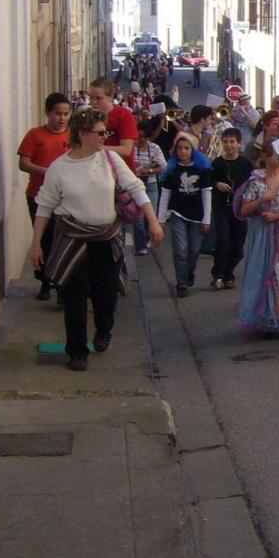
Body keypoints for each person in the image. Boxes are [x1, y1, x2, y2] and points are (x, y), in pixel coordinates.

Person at [28, 107, 163, 371]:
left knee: (105, 295)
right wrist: (36, 244)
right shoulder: (60, 168)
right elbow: (44, 207)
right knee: (74, 298)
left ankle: (103, 331)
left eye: (106, 132)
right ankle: (77, 352)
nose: (105, 137)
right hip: (72, 239)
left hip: (106, 237)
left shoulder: (110, 160)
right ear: (82, 133)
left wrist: (153, 221)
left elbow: (136, 187)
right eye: (100, 133)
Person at [235, 144, 279, 336]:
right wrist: (263, 199)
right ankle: (261, 319)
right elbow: (244, 210)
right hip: (262, 234)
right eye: (274, 155)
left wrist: (278, 216)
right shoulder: (256, 181)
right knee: (261, 273)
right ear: (264, 156)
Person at [18, 93, 73, 299]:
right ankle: (45, 281)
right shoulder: (35, 135)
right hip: (38, 196)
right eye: (58, 114)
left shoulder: (73, 136)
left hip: (65, 198)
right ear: (47, 113)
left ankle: (61, 284)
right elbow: (24, 163)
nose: (62, 118)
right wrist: (47, 172)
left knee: (63, 241)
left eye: (66, 114)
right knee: (45, 240)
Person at [158, 132, 213, 298]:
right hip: (177, 213)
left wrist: (207, 219)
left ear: (192, 150)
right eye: (180, 149)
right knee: (180, 249)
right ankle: (181, 283)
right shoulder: (172, 169)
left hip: (197, 215)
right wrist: (160, 219)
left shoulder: (201, 170)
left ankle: (188, 274)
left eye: (187, 148)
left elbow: (206, 194)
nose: (183, 152)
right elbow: (165, 195)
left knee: (194, 250)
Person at [209, 127, 251, 290]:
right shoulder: (217, 163)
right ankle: (218, 274)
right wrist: (216, 184)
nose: (229, 145)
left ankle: (229, 272)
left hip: (240, 210)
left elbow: (253, 183)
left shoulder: (246, 164)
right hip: (221, 209)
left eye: (232, 142)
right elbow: (208, 182)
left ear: (239, 144)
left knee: (238, 247)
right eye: (225, 142)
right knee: (223, 239)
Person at [132, 119, 167, 256]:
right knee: (137, 217)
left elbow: (164, 166)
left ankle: (146, 237)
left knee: (150, 214)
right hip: (135, 185)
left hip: (151, 184)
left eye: (143, 137)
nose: (140, 139)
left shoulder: (155, 148)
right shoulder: (131, 147)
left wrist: (148, 171)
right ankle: (140, 245)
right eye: (138, 135)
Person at [88, 76, 138, 168]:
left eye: (99, 98)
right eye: (91, 98)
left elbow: (126, 150)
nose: (93, 102)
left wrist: (96, 149)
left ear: (110, 96)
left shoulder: (123, 115)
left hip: (120, 172)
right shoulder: (88, 117)